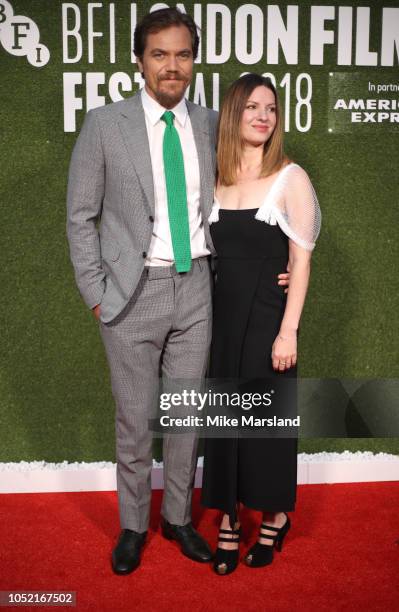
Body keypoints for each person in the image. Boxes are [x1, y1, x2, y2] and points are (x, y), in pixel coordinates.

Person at [66, 8, 290, 575]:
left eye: (183, 54)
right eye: (160, 54)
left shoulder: (214, 124)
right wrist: (97, 293)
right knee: (136, 419)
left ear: (194, 60)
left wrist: (278, 265)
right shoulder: (104, 125)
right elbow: (80, 217)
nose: (172, 66)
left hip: (198, 292)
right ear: (139, 60)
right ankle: (134, 526)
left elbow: (258, 192)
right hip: (130, 294)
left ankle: (179, 519)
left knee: (188, 416)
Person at [201, 73, 321, 575]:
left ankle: (273, 518)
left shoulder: (290, 178)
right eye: (252, 107)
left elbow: (302, 260)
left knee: (266, 425)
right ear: (234, 114)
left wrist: (288, 330)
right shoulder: (216, 176)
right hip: (218, 321)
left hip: (267, 318)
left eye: (271, 108)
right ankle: (228, 520)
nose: (263, 116)